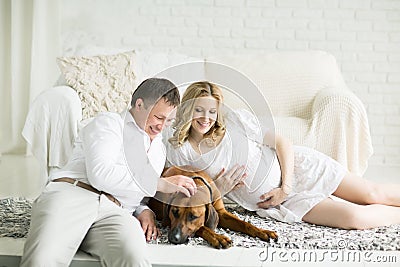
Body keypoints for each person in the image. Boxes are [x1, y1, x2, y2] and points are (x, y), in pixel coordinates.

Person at [165, 81, 400, 230]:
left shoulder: (235, 122)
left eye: (212, 111)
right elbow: (191, 196)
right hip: (281, 203)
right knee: (354, 218)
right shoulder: (179, 151)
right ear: (187, 109)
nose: (206, 118)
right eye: (199, 110)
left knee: (372, 193)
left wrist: (285, 186)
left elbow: (282, 142)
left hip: (298, 170)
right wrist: (219, 189)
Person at [20, 78, 197, 267]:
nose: (162, 127)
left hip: (117, 211)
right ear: (139, 105)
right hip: (74, 194)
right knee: (42, 260)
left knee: (134, 258)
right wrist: (159, 183)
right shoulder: (109, 123)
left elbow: (136, 192)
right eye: (159, 118)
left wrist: (143, 209)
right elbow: (101, 175)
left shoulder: (159, 150)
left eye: (169, 121)